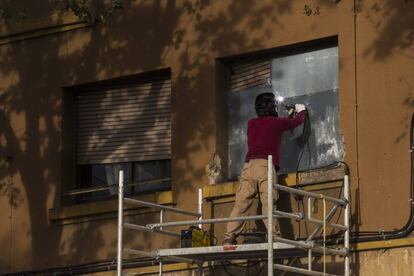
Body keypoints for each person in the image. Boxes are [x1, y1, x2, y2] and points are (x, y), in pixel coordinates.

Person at [223, 92, 307, 245]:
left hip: (248, 167)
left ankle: (229, 237)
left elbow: (268, 130)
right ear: (272, 107)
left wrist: (285, 119)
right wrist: (301, 110)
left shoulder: (251, 123)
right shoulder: (276, 123)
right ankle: (273, 236)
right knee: (268, 203)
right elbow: (297, 122)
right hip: (265, 166)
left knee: (241, 204)